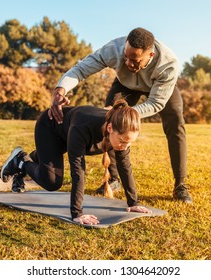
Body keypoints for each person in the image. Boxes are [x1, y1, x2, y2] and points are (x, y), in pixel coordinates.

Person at [48, 27, 193, 203]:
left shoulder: (168, 64)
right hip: (125, 84)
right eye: (126, 56)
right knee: (108, 122)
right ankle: (114, 178)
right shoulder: (113, 49)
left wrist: (122, 113)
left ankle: (180, 185)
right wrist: (61, 88)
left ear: (150, 56)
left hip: (159, 89)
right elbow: (81, 69)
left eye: (134, 59)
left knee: (176, 123)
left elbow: (156, 103)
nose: (128, 62)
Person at [0, 100, 151, 225]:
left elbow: (125, 167)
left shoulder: (121, 131)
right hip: (50, 128)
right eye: (122, 141)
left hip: (67, 132)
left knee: (47, 161)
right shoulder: (83, 129)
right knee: (52, 182)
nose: (124, 147)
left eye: (129, 143)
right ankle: (21, 160)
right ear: (110, 128)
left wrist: (133, 203)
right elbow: (78, 171)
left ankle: (31, 161)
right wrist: (77, 213)